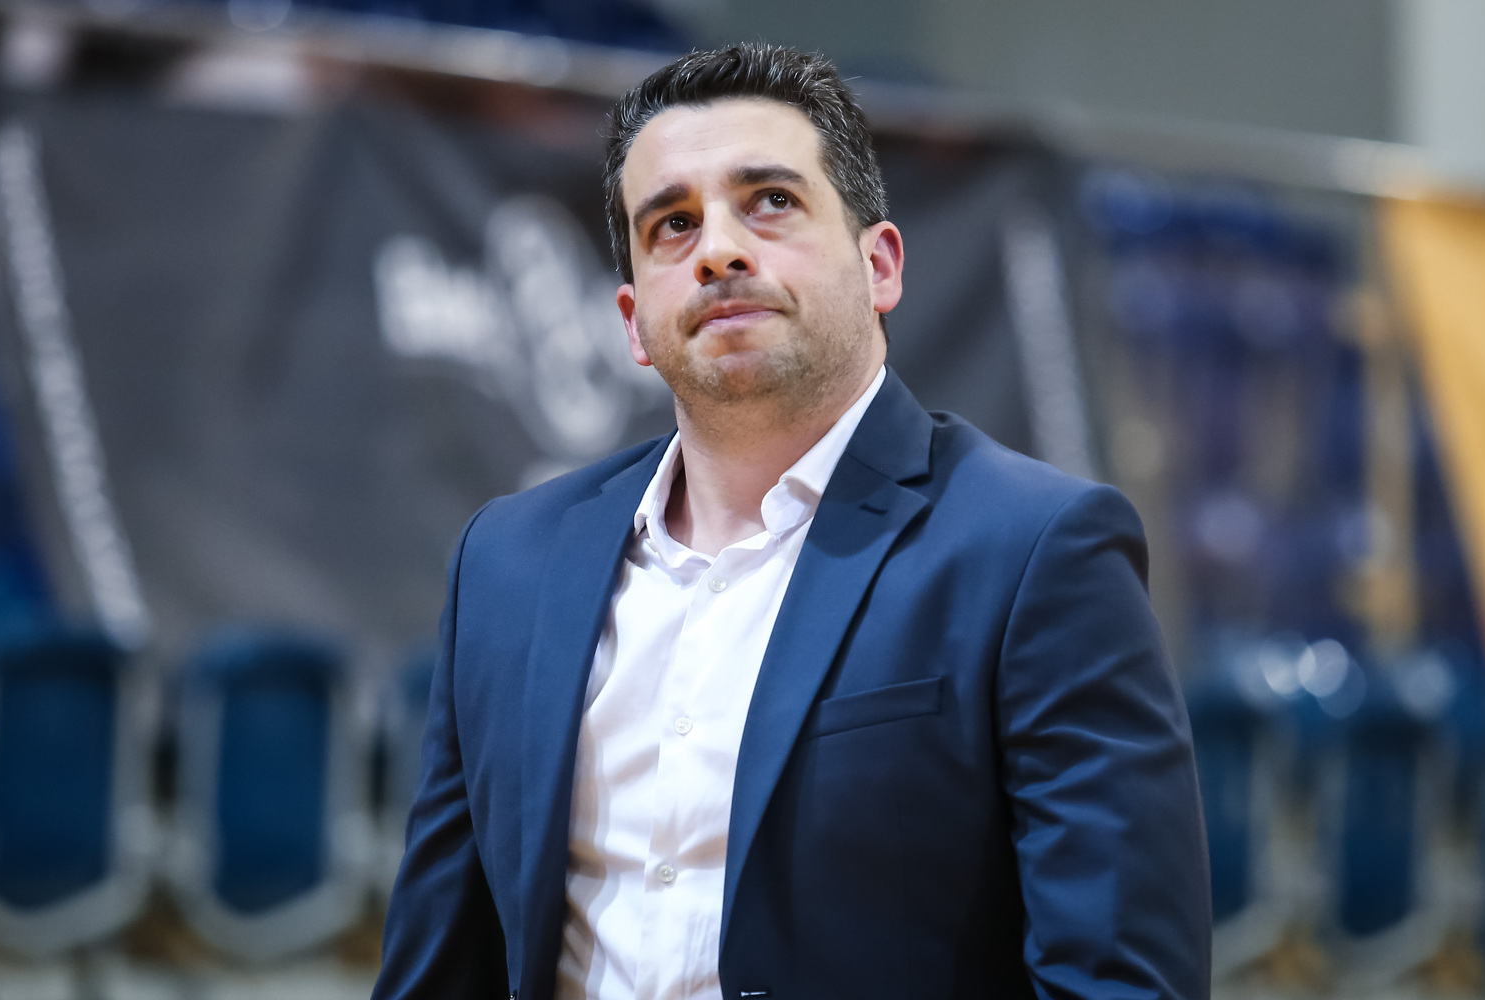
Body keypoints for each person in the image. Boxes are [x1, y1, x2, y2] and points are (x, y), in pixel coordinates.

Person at [373, 43, 1210, 1000]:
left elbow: (1120, 982)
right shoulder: (507, 561)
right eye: (673, 224)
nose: (719, 250)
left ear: (879, 265)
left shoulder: (1036, 549)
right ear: (632, 320)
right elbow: (437, 968)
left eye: (770, 201)